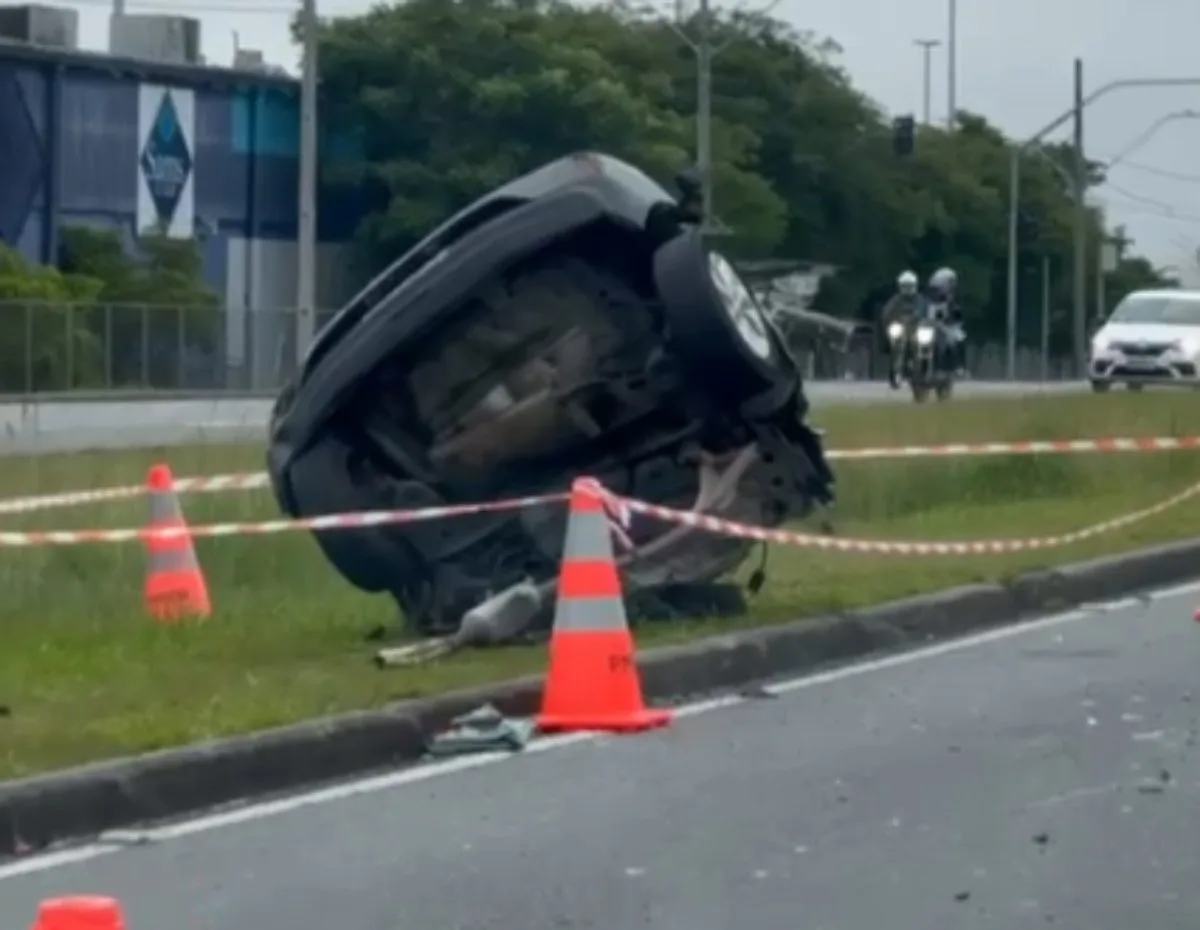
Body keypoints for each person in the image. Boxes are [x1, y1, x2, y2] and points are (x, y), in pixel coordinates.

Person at [926, 267, 966, 374]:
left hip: (948, 327)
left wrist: (950, 320)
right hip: (932, 327)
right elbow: (923, 314)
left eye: (938, 288)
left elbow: (958, 316)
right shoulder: (928, 301)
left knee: (958, 338)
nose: (936, 292)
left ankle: (959, 366)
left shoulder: (953, 301)